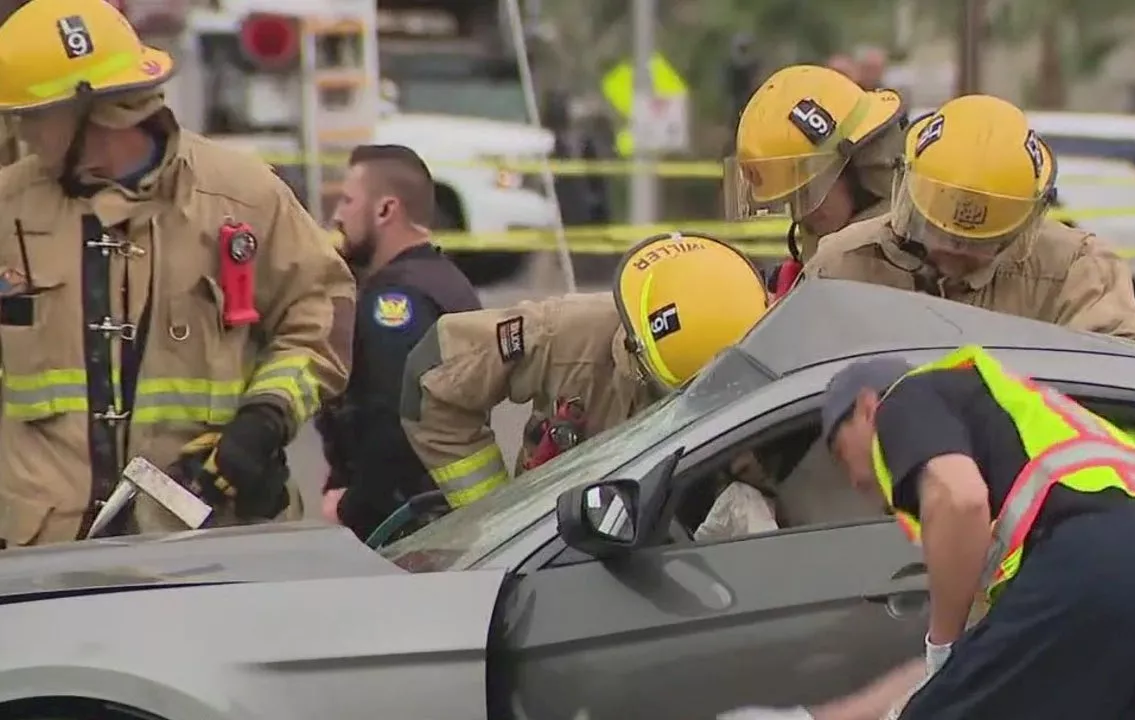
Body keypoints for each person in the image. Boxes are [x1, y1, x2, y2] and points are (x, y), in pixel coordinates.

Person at [0, 0, 355, 545]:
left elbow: (322, 315)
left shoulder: (242, 197)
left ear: (93, 112)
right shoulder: (10, 207)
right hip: (40, 553)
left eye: (33, 116)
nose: (21, 134)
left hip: (205, 544)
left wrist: (265, 419)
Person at [726, 347, 1135, 720]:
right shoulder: (1021, 437)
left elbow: (960, 497)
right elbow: (987, 658)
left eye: (842, 454)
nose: (861, 482)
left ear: (865, 408)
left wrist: (941, 649)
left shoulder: (908, 398)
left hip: (1107, 560)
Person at [400, 231, 769, 510]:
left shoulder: (769, 379)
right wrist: (493, 513)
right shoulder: (569, 333)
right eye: (641, 370)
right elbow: (435, 376)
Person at [803, 94, 1135, 342]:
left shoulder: (1079, 272)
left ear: (1021, 227)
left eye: (977, 244)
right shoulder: (843, 264)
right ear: (909, 198)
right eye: (937, 232)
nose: (952, 253)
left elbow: (1118, 395)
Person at [316, 144, 481, 541]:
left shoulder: (396, 300)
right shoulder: (447, 281)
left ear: (386, 210)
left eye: (348, 200)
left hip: (403, 521)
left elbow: (392, 422)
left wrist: (353, 505)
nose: (337, 215)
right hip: (446, 509)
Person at [725, 64, 909, 298]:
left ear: (861, 167)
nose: (801, 215)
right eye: (790, 200)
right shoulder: (792, 282)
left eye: (807, 193)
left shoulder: (932, 277)